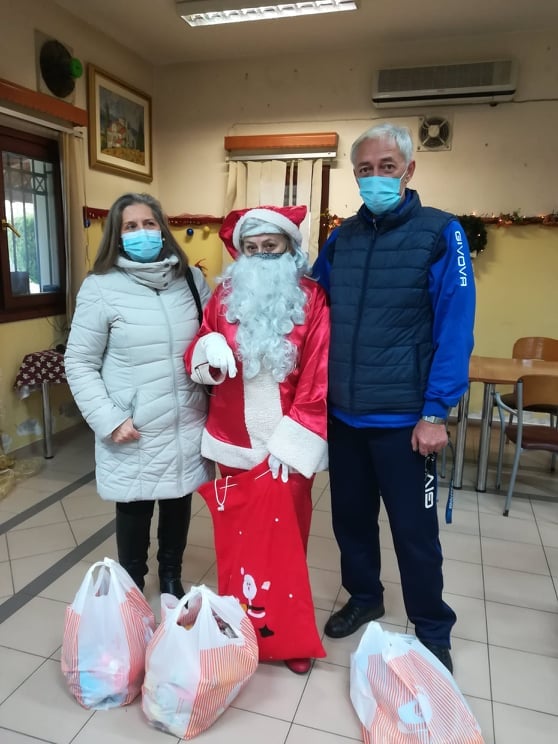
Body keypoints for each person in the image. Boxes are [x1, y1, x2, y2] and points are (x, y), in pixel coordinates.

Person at [312, 123, 476, 674]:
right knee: (350, 520)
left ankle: (432, 627)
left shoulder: (441, 232)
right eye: (365, 169)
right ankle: (365, 597)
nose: (375, 177)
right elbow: (312, 305)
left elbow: (456, 325)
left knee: (414, 532)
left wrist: (436, 411)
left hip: (406, 419)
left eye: (387, 166)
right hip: (344, 415)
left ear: (409, 169)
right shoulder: (343, 238)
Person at [184, 206, 329, 675]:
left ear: (290, 249)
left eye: (271, 246)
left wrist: (296, 439)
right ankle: (236, 624)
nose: (261, 255)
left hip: (287, 442)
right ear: (240, 253)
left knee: (286, 540)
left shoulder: (312, 298)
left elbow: (319, 373)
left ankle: (287, 635)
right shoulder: (223, 298)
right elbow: (199, 347)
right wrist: (207, 349)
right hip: (233, 439)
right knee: (236, 538)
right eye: (251, 248)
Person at [65, 192, 214, 599]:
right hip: (134, 424)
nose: (141, 232)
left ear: (162, 229)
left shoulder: (191, 280)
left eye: (149, 223)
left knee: (178, 498)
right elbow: (78, 362)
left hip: (185, 418)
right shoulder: (101, 287)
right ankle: (131, 583)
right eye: (130, 226)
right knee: (135, 505)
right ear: (117, 235)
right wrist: (109, 419)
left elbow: (211, 338)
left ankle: (171, 575)